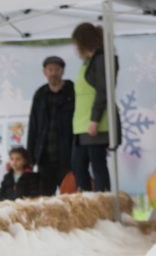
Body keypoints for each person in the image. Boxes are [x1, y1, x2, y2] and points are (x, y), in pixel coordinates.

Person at [70, 23, 121, 192]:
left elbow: (103, 90)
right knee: (78, 165)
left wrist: (95, 119)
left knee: (98, 166)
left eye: (76, 43)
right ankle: (85, 202)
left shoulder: (102, 59)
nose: (76, 48)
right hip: (81, 124)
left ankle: (102, 202)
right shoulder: (88, 62)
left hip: (95, 123)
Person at [27, 55, 75, 197]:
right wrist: (30, 156)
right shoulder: (40, 94)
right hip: (44, 156)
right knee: (45, 198)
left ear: (63, 71)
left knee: (71, 197)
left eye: (57, 69)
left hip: (68, 156)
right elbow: (33, 125)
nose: (53, 73)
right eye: (50, 69)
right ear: (45, 72)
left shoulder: (73, 91)